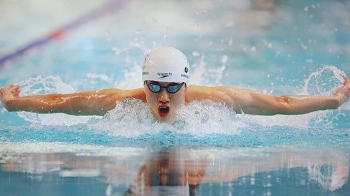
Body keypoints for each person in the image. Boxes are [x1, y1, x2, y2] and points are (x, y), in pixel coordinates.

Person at [0, 46, 349, 122]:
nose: (163, 96)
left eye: (171, 88)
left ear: (186, 85)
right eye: (154, 87)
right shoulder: (121, 102)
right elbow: (62, 101)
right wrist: (13, 103)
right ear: (144, 83)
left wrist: (333, 102)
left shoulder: (217, 100)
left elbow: (283, 104)